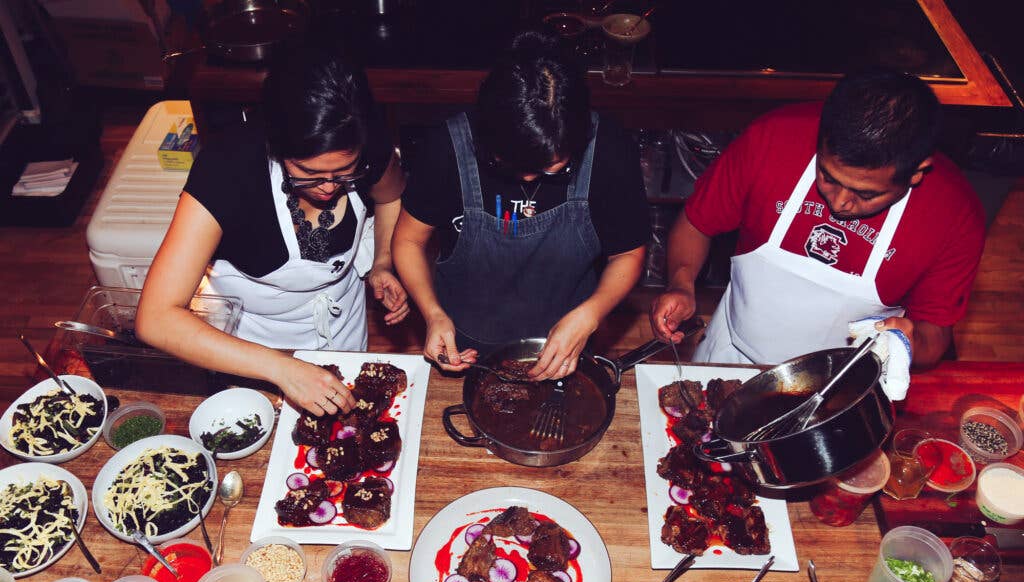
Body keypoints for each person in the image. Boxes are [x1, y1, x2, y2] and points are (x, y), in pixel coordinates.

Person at [136, 35, 409, 416]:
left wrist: (382, 261)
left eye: (343, 173)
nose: (330, 187)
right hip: (250, 353)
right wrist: (282, 368)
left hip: (342, 332)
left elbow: (391, 197)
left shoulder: (368, 144)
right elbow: (155, 317)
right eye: (309, 174)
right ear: (276, 145)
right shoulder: (229, 167)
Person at [649, 69, 985, 369]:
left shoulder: (955, 215)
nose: (840, 203)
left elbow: (935, 334)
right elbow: (696, 223)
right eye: (827, 176)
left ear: (917, 172)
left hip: (843, 387)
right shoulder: (772, 139)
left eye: (865, 194)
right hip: (734, 356)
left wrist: (909, 343)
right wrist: (681, 283)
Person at [392, 30, 650, 380]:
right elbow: (408, 240)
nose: (531, 180)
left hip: (567, 338)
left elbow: (629, 253)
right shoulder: (446, 148)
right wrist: (433, 313)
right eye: (514, 166)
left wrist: (590, 315)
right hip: (465, 336)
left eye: (553, 169)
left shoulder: (610, 149)